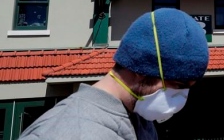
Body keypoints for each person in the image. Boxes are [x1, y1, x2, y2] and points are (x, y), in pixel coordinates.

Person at [19, 8, 209, 140]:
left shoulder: (138, 117)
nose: (182, 97)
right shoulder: (68, 132)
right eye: (179, 86)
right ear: (142, 70)